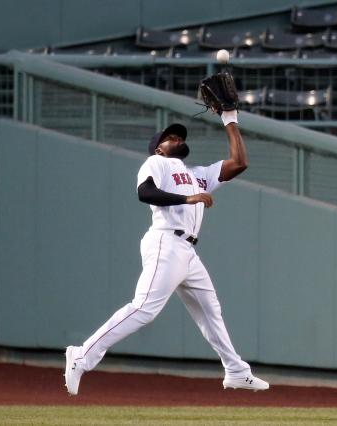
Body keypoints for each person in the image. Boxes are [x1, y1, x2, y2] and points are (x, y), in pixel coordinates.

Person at [63, 109, 269, 395]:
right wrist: (187, 197)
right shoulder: (156, 162)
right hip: (166, 242)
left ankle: (235, 370)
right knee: (144, 308)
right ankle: (82, 355)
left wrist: (230, 119)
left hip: (187, 252)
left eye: (179, 136)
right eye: (170, 137)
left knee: (211, 311)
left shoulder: (198, 175)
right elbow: (145, 193)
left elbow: (239, 162)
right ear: (159, 147)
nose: (176, 138)